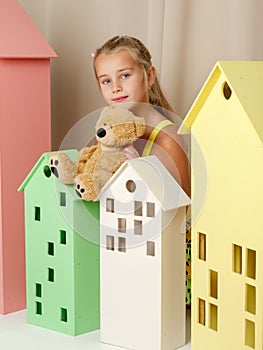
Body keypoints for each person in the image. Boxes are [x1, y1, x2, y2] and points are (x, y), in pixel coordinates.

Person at [92, 35, 190, 197]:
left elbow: (182, 209)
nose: (116, 87)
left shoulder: (168, 140)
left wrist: (139, 172)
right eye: (106, 81)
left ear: (149, 76)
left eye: (125, 75)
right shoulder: (106, 133)